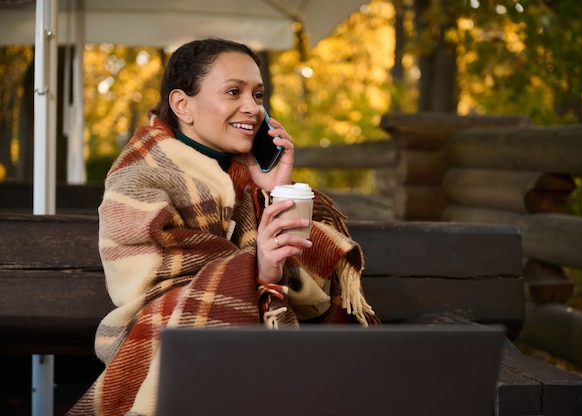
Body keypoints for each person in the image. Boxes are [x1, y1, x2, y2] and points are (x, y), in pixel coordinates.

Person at [68, 37, 379, 416]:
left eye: (258, 94)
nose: (252, 108)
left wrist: (276, 191)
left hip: (247, 355)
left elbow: (312, 295)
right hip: (163, 348)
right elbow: (150, 290)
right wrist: (256, 269)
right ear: (183, 105)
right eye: (234, 92)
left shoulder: (247, 178)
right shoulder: (137, 180)